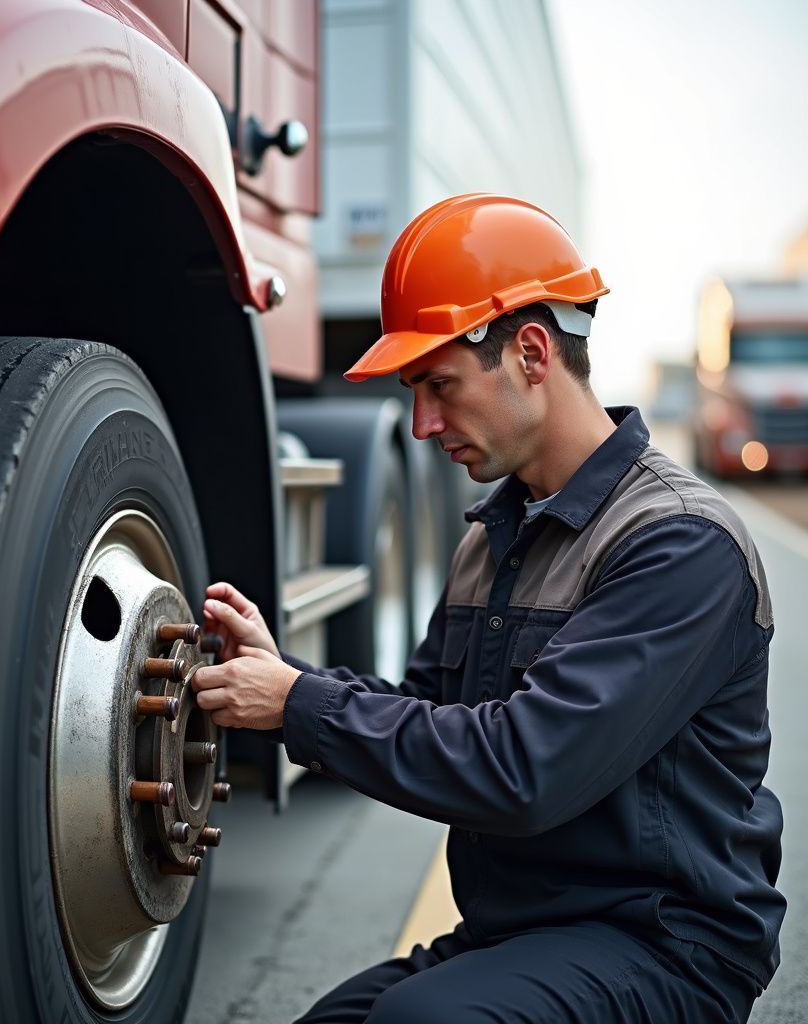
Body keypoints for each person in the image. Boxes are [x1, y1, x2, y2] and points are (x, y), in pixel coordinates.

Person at [191, 194, 784, 1022]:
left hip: (662, 943)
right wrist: (283, 684)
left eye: (438, 385)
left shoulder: (680, 544)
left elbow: (522, 771)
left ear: (533, 353)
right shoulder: (494, 535)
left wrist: (299, 705)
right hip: (520, 932)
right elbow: (430, 714)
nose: (422, 424)